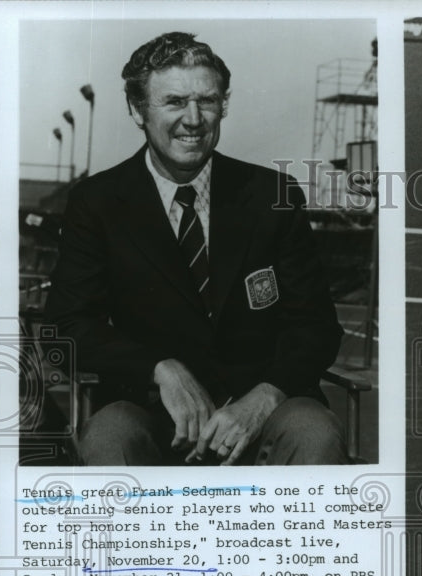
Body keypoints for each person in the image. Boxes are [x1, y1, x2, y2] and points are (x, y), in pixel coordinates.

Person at [46, 32, 348, 466]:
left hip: (264, 411)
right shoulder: (97, 202)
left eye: (207, 101)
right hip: (153, 412)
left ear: (223, 104)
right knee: (109, 435)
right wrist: (159, 369)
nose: (193, 119)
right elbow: (65, 327)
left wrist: (263, 398)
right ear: (137, 109)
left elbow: (317, 326)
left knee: (314, 431)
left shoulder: (271, 195)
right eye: (174, 102)